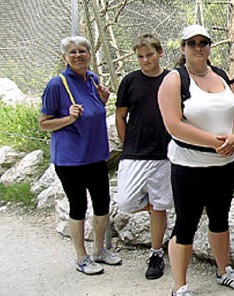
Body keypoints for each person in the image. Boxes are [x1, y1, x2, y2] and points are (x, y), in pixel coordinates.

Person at [157, 24, 234, 296]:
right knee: (186, 224)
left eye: (204, 42)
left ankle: (224, 271)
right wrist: (214, 142)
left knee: (220, 220)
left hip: (224, 163)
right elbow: (174, 124)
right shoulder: (175, 80)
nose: (198, 47)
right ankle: (179, 288)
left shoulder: (221, 75)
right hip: (189, 165)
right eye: (192, 42)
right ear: (183, 47)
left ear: (210, 46)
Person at [39, 36, 122, 276]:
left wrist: (102, 101)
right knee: (78, 206)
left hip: (95, 155)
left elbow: (93, 113)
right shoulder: (57, 85)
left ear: (89, 54)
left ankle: (99, 251)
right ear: (65, 57)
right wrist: (68, 118)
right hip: (70, 159)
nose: (78, 55)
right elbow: (44, 124)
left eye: (83, 51)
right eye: (73, 52)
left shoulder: (93, 80)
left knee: (102, 204)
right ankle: (81, 257)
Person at [115, 34, 171, 280]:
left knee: (160, 206)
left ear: (160, 53)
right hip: (135, 152)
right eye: (140, 56)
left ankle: (156, 253)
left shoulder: (172, 79)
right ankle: (153, 206)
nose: (146, 60)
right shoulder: (130, 81)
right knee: (126, 202)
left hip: (165, 153)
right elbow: (120, 115)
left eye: (150, 54)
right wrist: (127, 143)